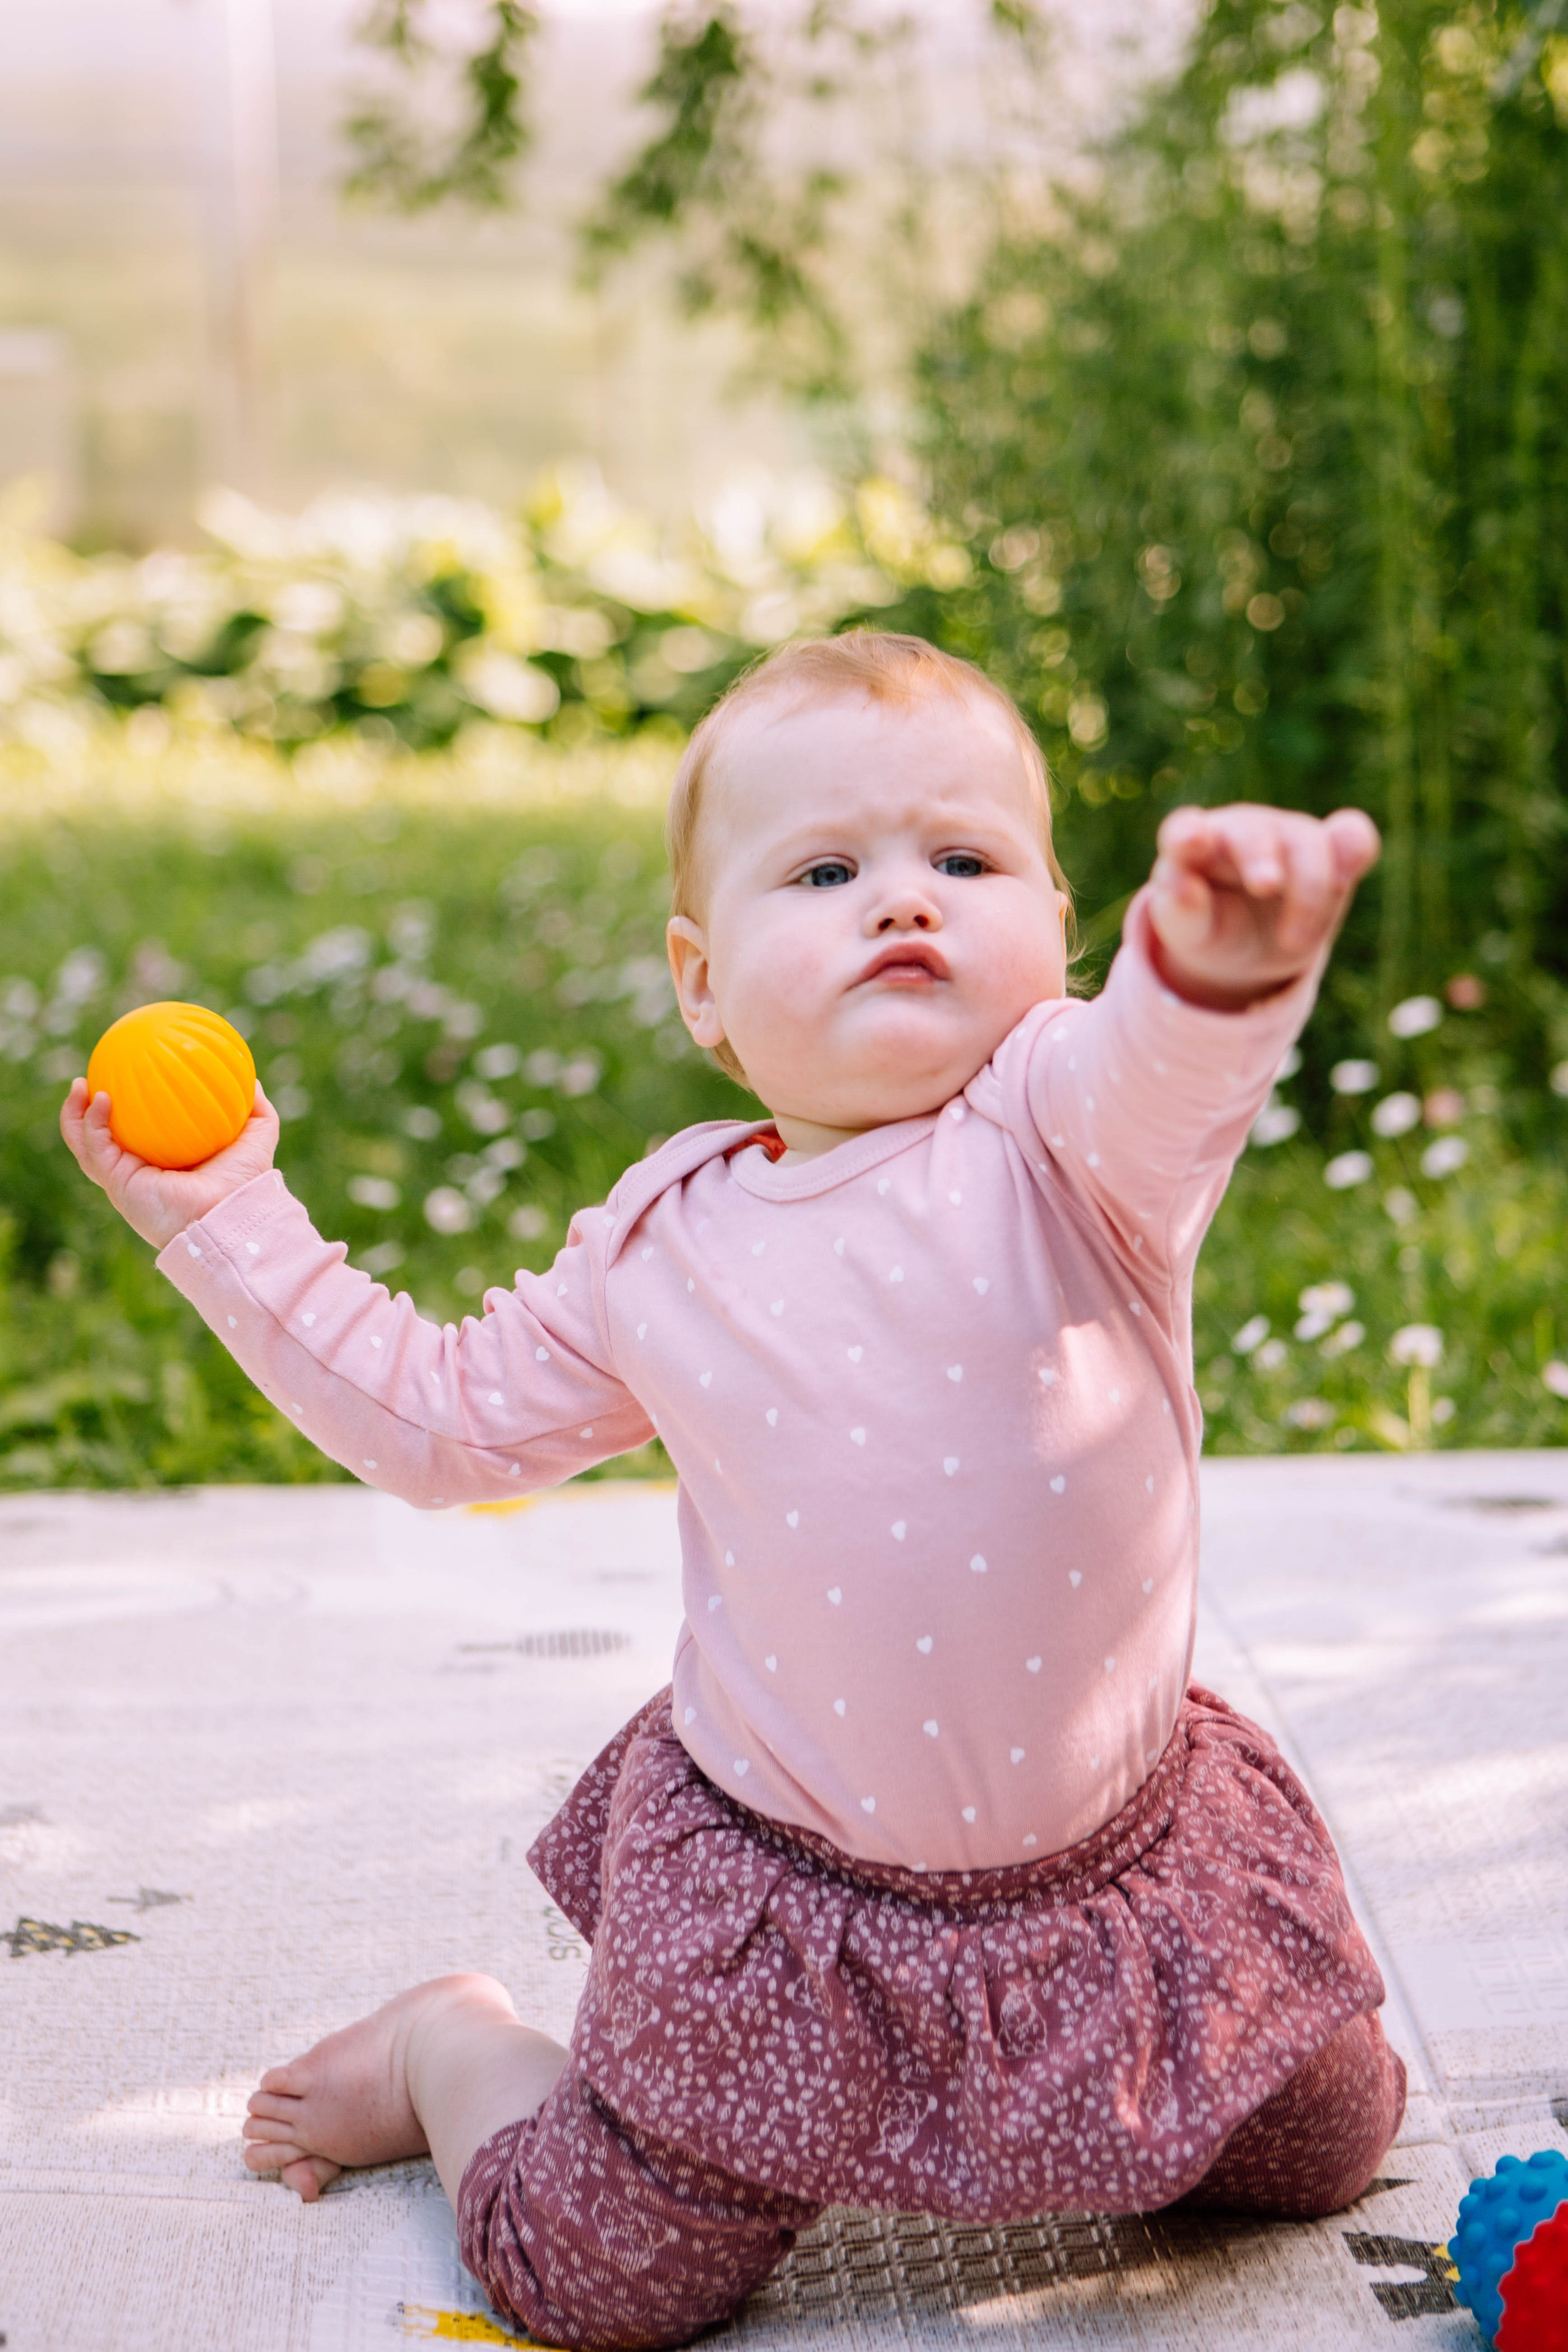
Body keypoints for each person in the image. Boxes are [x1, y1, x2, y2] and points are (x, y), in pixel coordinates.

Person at [61, 633, 1400, 2351]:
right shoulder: (663, 1250)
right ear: (702, 988)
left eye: (966, 860)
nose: (903, 899)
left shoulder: (1075, 1148)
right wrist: (221, 1214)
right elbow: (436, 1422)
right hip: (794, 1912)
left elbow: (1171, 1069)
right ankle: (455, 2046)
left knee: (1328, 2146)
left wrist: (1213, 966)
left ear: (1061, 935)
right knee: (594, 2284)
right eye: (827, 872)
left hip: (1115, 1873)